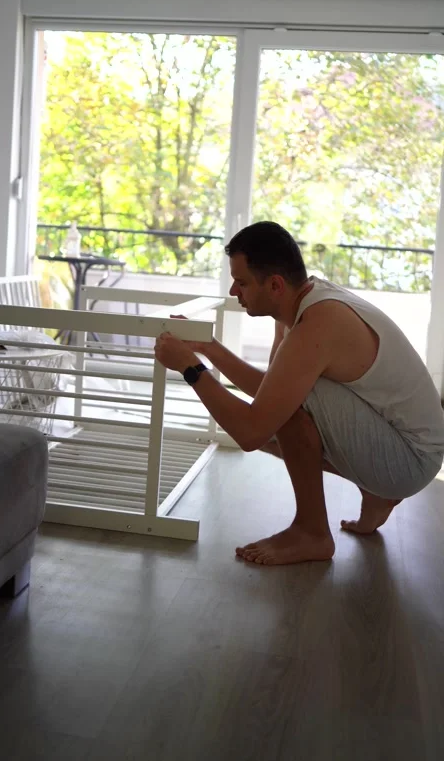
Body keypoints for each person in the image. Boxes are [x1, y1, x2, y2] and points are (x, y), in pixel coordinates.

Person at [154, 221, 444, 566]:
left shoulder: (317, 323)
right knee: (284, 403)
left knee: (290, 406)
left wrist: (191, 368)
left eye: (242, 282)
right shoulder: (300, 305)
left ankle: (312, 532)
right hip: (405, 448)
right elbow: (271, 391)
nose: (234, 291)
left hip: (411, 459)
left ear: (275, 284)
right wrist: (208, 348)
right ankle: (376, 492)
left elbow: (250, 432)